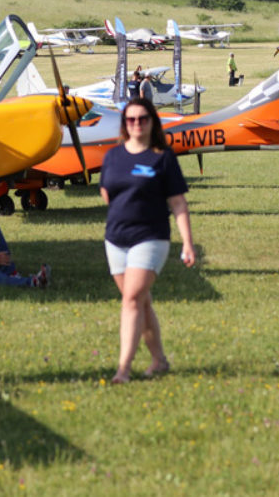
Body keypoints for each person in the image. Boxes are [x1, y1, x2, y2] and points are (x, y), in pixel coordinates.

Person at [99, 98, 194, 384]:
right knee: (141, 302)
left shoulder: (162, 157)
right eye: (131, 119)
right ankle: (160, 361)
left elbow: (178, 203)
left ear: (152, 122)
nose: (137, 124)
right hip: (115, 238)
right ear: (124, 124)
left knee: (130, 300)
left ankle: (123, 370)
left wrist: (187, 243)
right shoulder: (113, 156)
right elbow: (106, 192)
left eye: (143, 119)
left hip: (151, 238)